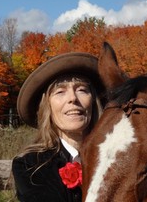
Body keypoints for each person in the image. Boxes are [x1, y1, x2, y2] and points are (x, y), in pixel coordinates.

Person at [12, 52, 104, 202]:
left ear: (94, 101)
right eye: (60, 92)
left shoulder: (116, 158)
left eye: (81, 89)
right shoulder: (31, 166)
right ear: (47, 107)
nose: (73, 98)